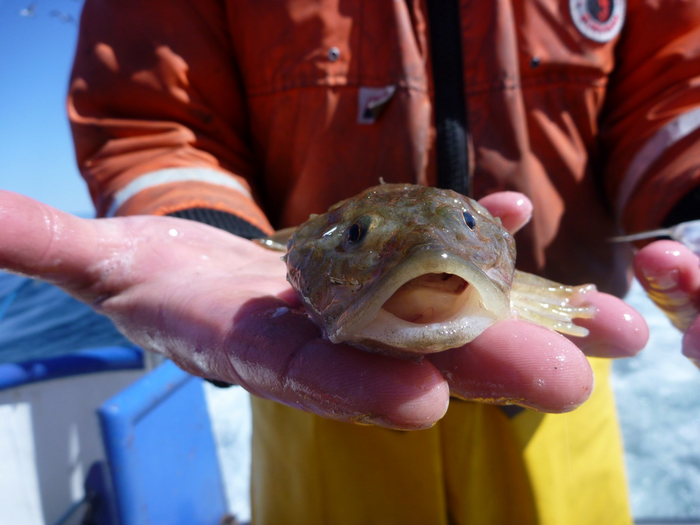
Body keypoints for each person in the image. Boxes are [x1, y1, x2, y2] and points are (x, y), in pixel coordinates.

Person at [1, 0, 699, 523]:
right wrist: (205, 231)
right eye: (360, 239)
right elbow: (151, 118)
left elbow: (677, 88)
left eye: (464, 228)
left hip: (544, 371)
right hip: (304, 384)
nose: (427, 257)